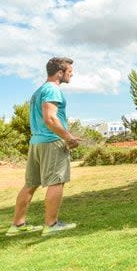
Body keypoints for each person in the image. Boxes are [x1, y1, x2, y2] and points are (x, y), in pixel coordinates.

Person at [6, 57, 81, 237]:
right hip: (51, 143)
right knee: (56, 181)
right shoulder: (52, 89)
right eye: (69, 71)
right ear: (60, 72)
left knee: (30, 184)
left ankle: (17, 225)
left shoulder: (39, 91)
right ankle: (51, 224)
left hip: (36, 143)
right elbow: (50, 119)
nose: (72, 74)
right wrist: (68, 137)